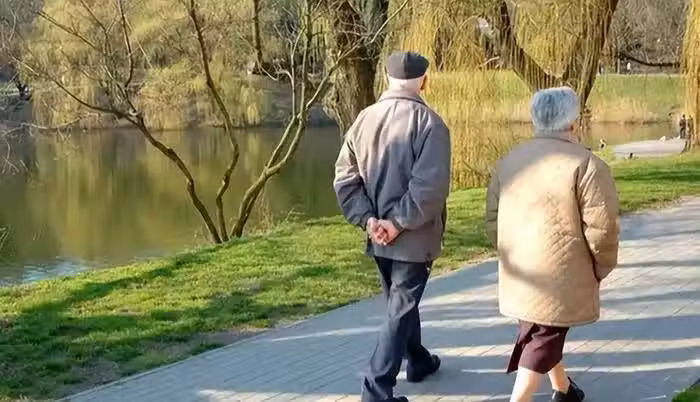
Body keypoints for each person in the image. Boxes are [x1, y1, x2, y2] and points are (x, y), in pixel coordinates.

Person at [485, 87, 620, 402]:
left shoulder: (510, 160)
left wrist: (508, 252)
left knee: (541, 331)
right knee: (543, 338)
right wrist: (602, 266)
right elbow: (602, 228)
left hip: (520, 268)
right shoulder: (587, 165)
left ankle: (564, 389)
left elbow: (493, 217)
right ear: (573, 122)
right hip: (562, 272)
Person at [333, 51, 450, 402]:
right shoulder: (430, 124)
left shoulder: (363, 120)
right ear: (423, 81)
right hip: (413, 237)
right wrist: (396, 223)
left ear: (387, 78)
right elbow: (429, 188)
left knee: (400, 305)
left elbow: (345, 179)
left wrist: (369, 220)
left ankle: (418, 361)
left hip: (378, 237)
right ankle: (376, 389)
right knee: (400, 309)